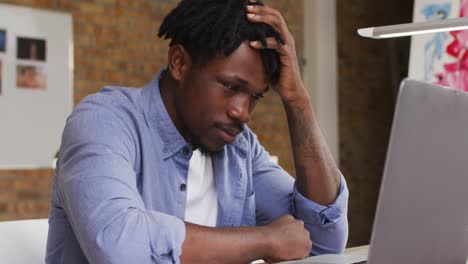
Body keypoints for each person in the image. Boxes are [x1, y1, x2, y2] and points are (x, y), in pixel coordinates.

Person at [45, 0, 349, 263]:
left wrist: (298, 101)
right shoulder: (104, 122)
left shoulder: (240, 148)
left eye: (255, 97)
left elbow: (321, 243)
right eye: (231, 87)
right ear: (179, 63)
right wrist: (266, 239)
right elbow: (120, 246)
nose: (241, 112)